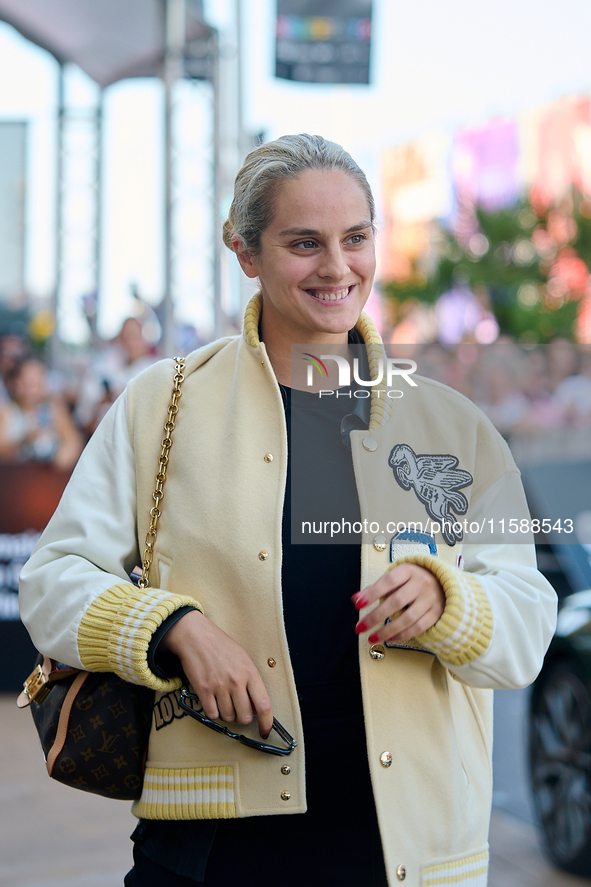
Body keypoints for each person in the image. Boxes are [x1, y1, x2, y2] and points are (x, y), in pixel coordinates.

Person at [19, 134, 556, 887]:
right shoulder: (161, 403)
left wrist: (450, 598)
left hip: (407, 851)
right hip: (209, 850)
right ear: (245, 252)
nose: (337, 267)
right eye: (304, 242)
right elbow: (53, 582)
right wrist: (173, 627)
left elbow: (527, 620)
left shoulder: (450, 424)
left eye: (355, 238)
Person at [0, 355, 83, 471]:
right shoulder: (6, 412)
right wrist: (24, 442)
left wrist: (61, 459)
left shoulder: (53, 408)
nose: (36, 389)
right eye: (31, 383)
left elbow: (73, 442)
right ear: (16, 384)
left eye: (40, 382)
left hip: (46, 479)